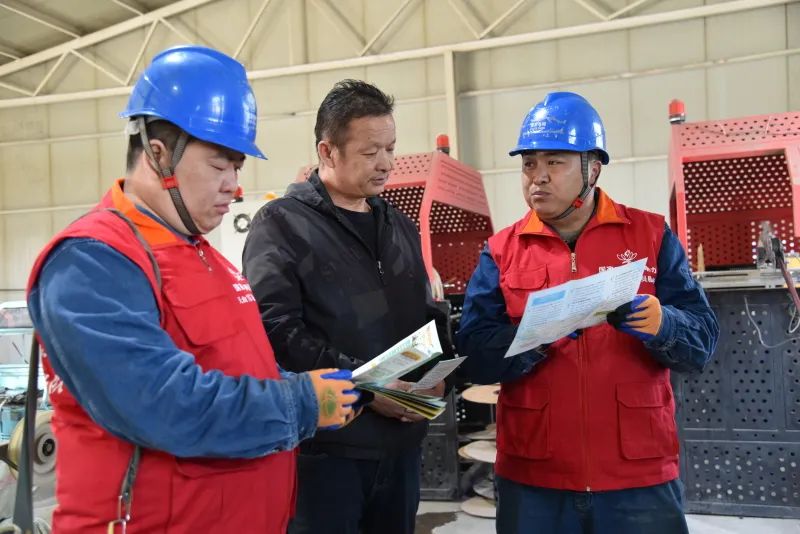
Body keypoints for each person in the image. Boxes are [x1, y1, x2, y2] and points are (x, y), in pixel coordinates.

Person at [25, 45, 358, 534]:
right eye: (220, 165)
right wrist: (302, 402)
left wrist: (310, 382)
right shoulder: (93, 261)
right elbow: (164, 405)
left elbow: (237, 367)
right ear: (159, 154)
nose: (234, 186)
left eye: (237, 168)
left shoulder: (206, 258)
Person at [456, 91, 719, 534]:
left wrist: (665, 325)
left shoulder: (651, 234)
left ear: (592, 168)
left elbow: (703, 343)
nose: (538, 177)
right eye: (528, 164)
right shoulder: (502, 251)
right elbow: (473, 353)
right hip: (534, 476)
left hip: (638, 473)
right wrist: (533, 337)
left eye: (554, 162)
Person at [242, 79, 451, 534]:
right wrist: (368, 386)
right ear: (328, 151)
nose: (386, 163)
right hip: (328, 451)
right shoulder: (282, 225)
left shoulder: (398, 225)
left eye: (390, 149)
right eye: (370, 151)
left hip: (401, 447)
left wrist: (436, 375)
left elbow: (423, 313)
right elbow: (276, 331)